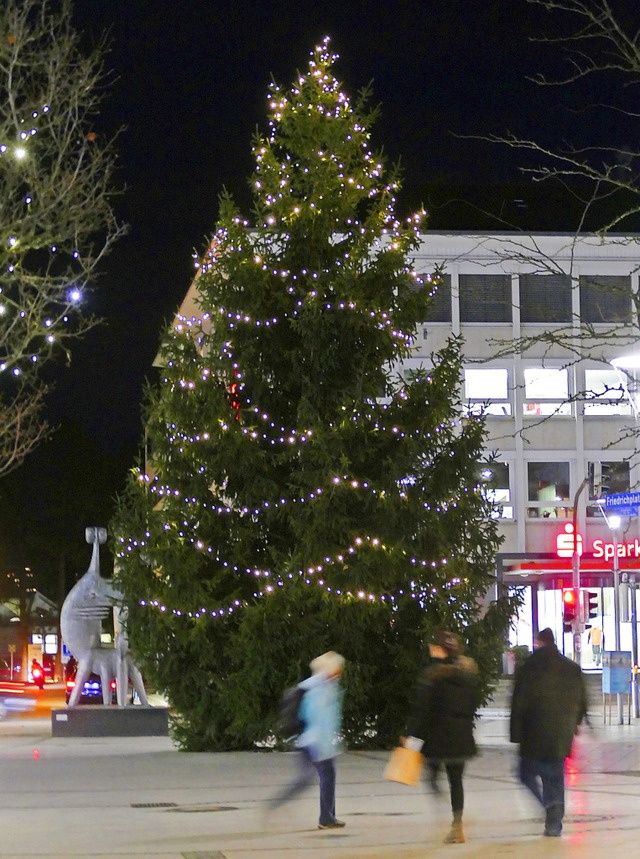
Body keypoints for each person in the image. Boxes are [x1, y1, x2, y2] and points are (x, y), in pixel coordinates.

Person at [510, 627, 587, 837]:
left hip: (532, 734)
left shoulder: (528, 668)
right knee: (555, 777)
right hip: (561, 734)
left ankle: (547, 804)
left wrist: (515, 734)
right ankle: (554, 824)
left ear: (539, 643)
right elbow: (581, 698)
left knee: (525, 773)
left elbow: (518, 703)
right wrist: (576, 722)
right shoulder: (571, 668)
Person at [404, 630, 480, 845]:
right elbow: (472, 704)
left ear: (439, 649)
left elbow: (422, 710)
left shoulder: (432, 675)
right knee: (456, 781)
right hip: (461, 736)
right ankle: (457, 824)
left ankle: (449, 816)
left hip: (437, 737)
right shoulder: (467, 676)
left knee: (432, 778)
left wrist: (412, 736)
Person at [268, 651, 346, 830]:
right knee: (310, 779)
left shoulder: (326, 685)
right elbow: (316, 717)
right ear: (330, 668)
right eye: (338, 667)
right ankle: (279, 805)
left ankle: (328, 817)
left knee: (325, 776)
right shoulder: (317, 688)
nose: (340, 670)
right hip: (313, 741)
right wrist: (322, 743)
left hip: (317, 741)